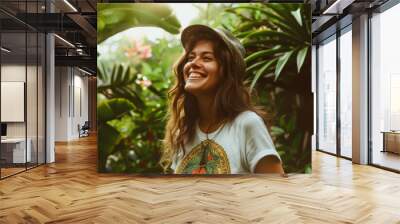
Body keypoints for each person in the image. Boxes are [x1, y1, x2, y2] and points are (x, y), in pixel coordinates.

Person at [161, 24, 284, 175]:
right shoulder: (184, 132)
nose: (193, 63)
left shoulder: (247, 124)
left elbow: (274, 191)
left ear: (227, 72)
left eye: (207, 58)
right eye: (191, 57)